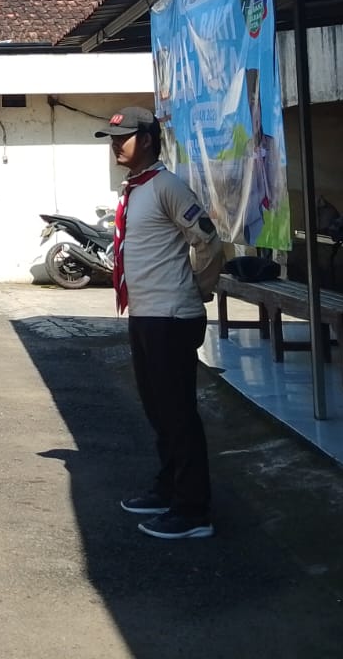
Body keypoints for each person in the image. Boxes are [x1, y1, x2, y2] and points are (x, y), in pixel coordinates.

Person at [98, 105, 222, 541]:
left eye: (124, 138)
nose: (116, 145)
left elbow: (208, 241)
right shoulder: (135, 189)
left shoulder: (167, 186)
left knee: (178, 413)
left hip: (170, 316)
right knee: (158, 410)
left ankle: (193, 511)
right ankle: (169, 488)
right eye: (113, 139)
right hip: (145, 314)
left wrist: (197, 289)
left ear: (148, 140)